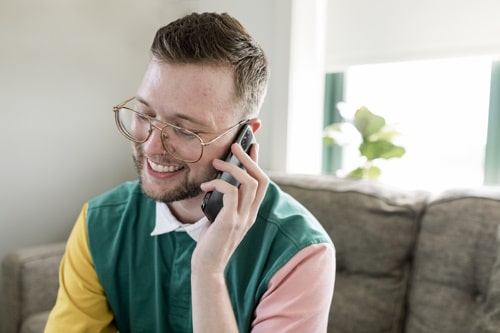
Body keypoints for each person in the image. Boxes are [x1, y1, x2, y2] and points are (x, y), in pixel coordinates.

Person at [45, 12, 335, 333]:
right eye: (145, 114)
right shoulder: (98, 224)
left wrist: (208, 271)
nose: (152, 146)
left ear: (246, 136)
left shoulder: (301, 252)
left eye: (185, 130)